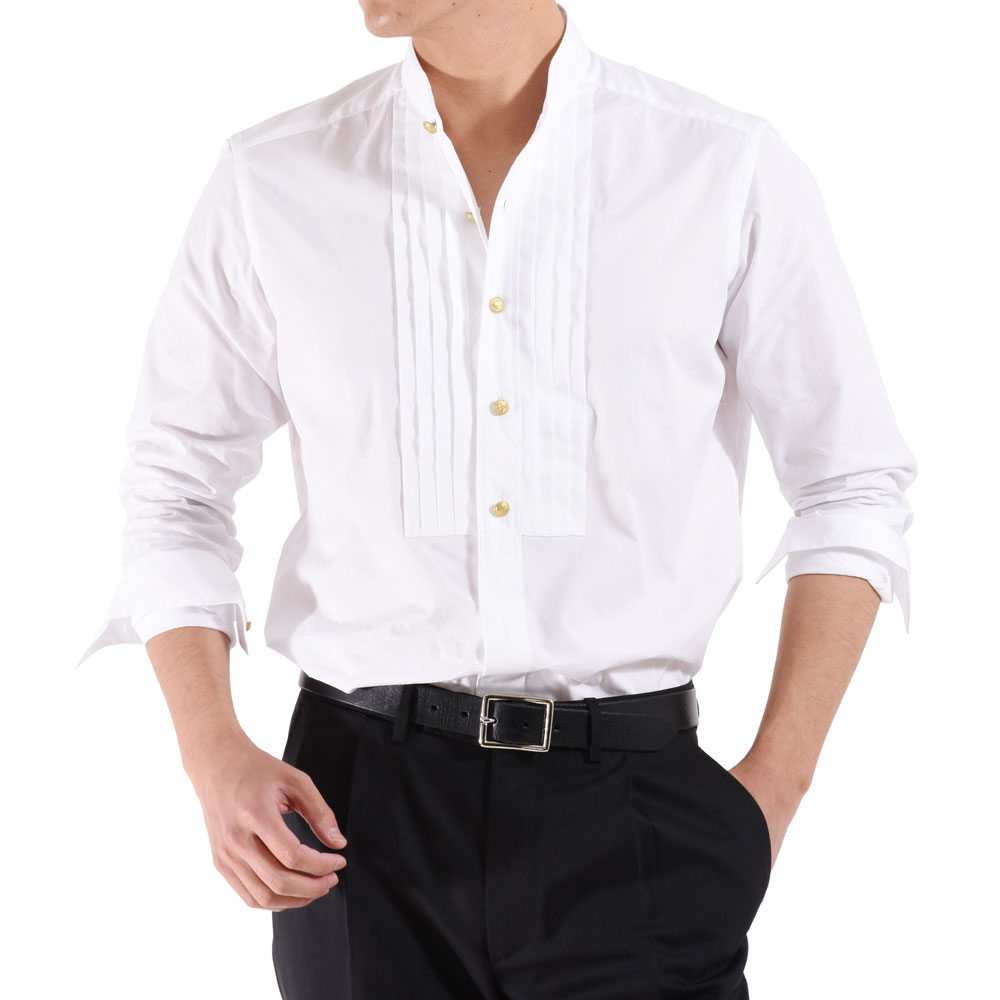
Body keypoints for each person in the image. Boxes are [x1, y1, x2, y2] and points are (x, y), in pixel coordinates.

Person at [75, 1, 918, 997]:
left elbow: (852, 482)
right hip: (355, 823)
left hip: (637, 814)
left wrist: (771, 790)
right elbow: (174, 482)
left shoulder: (720, 167)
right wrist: (212, 751)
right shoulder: (273, 178)